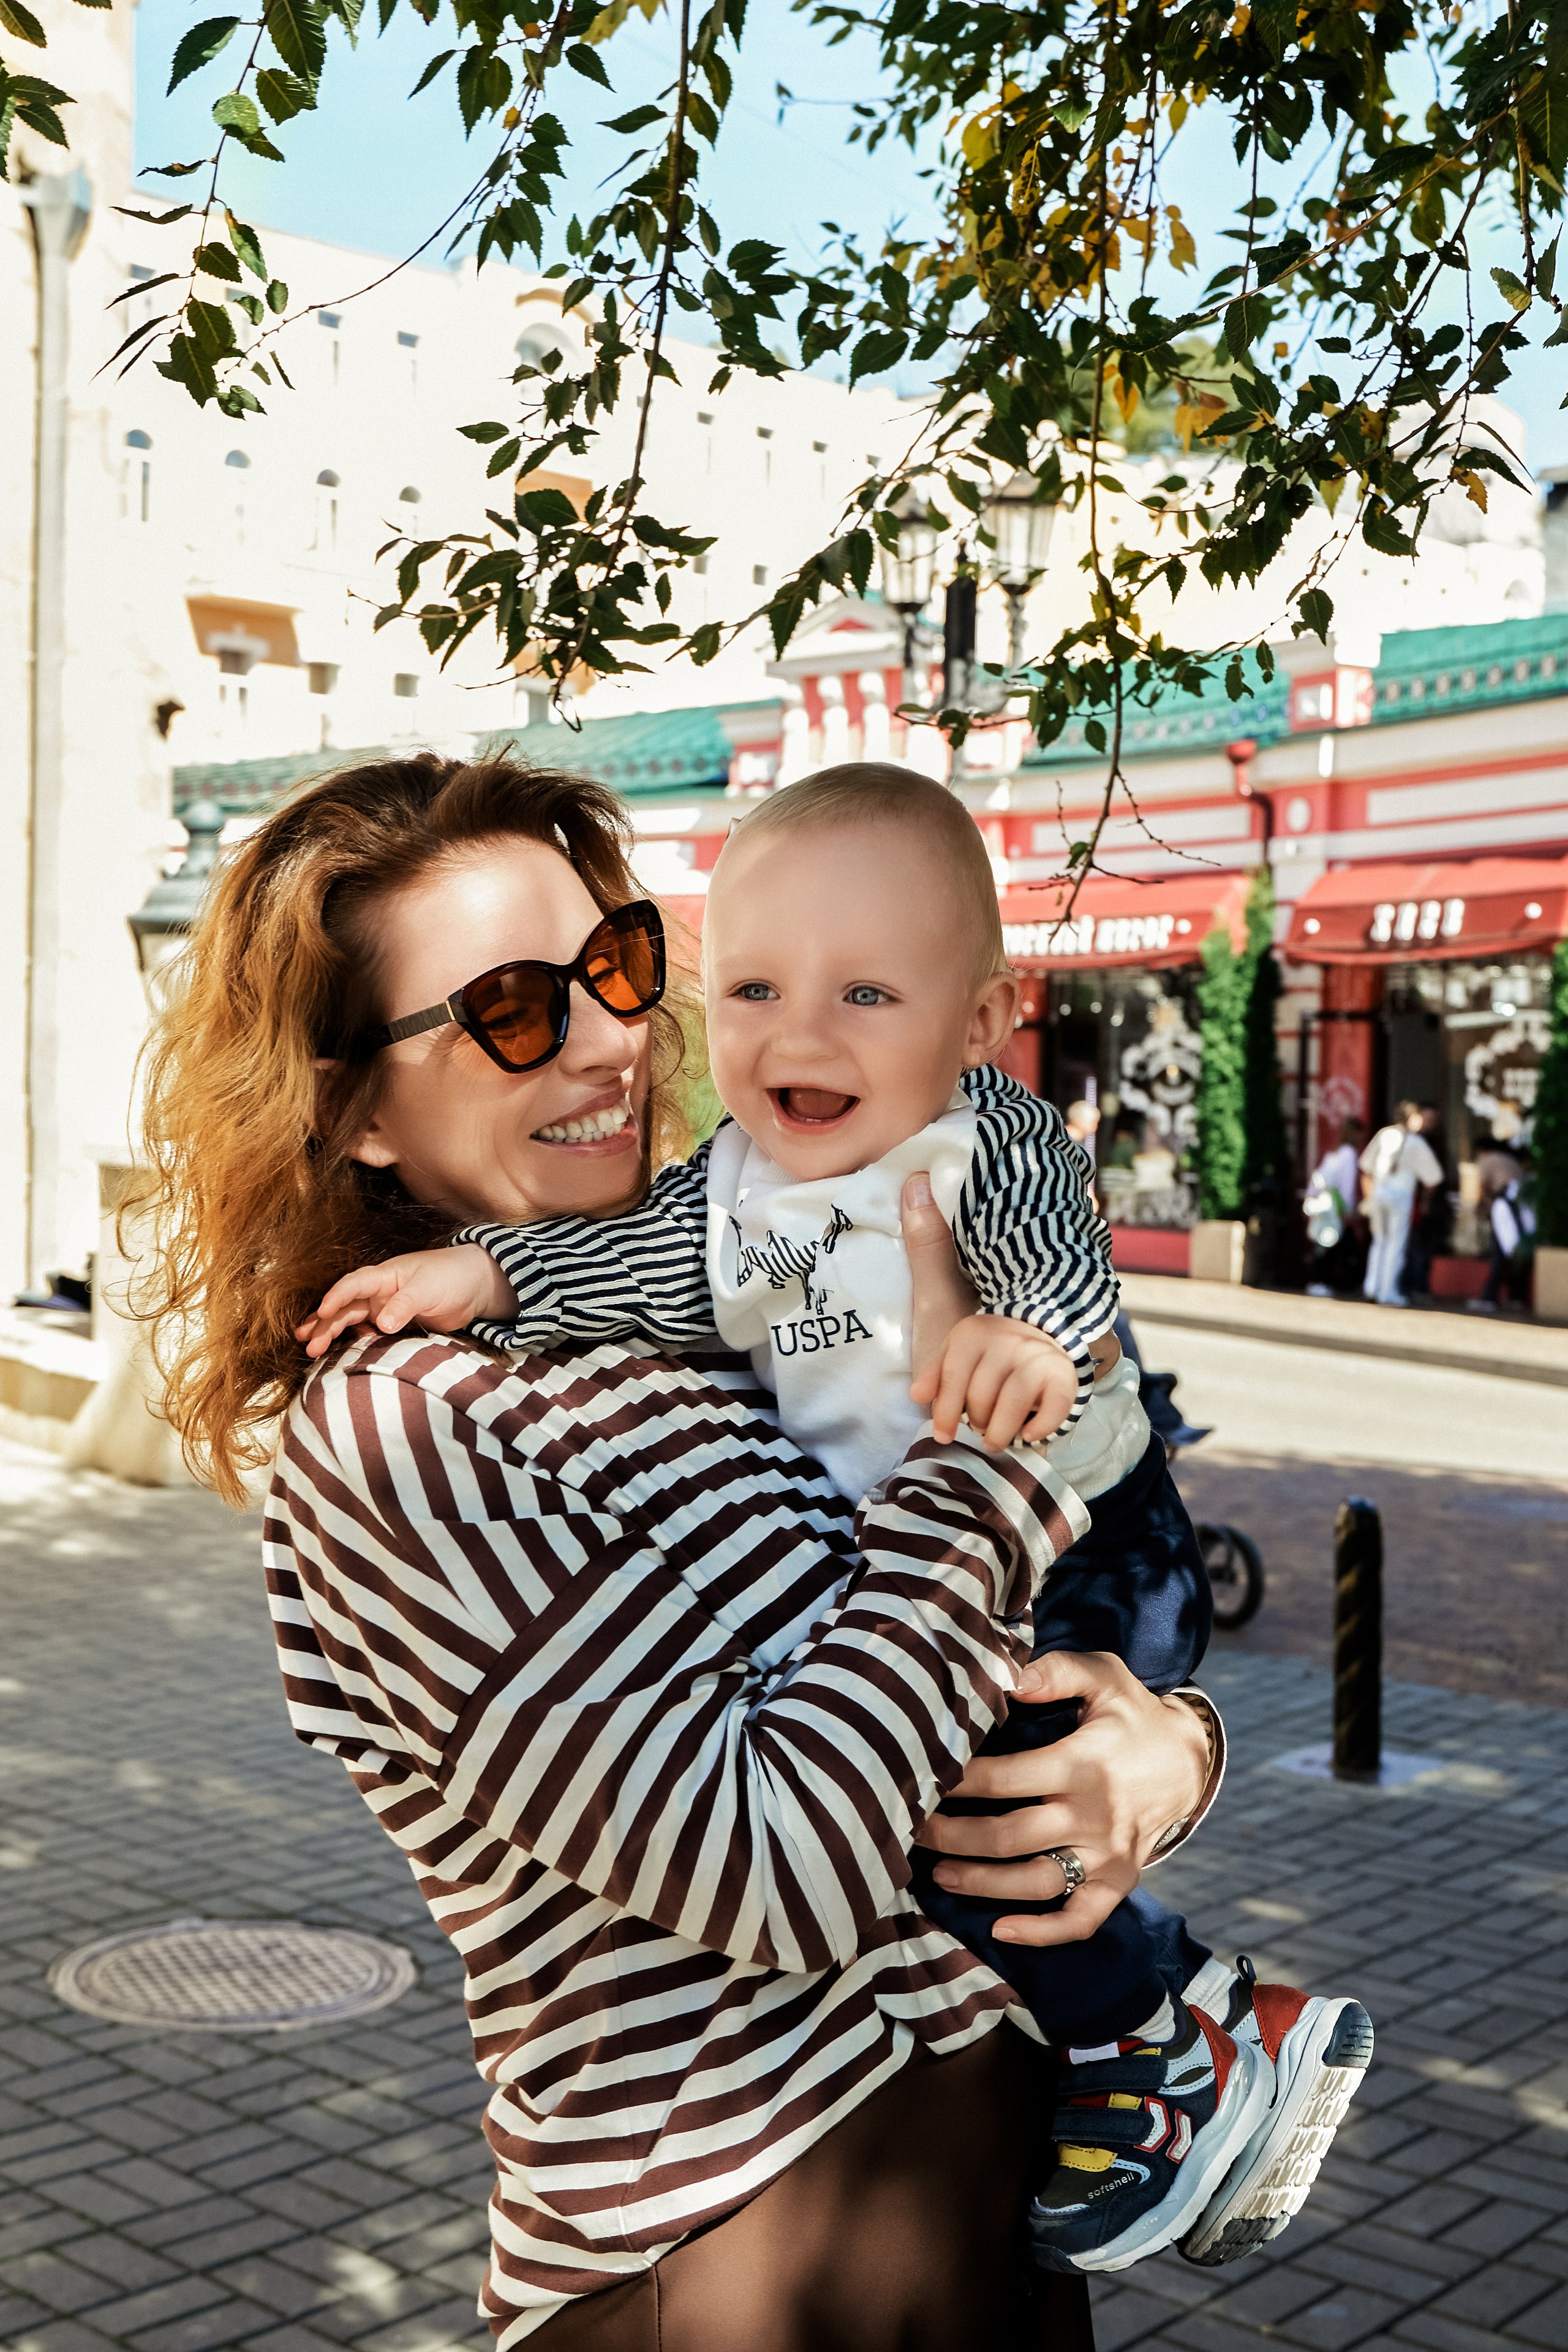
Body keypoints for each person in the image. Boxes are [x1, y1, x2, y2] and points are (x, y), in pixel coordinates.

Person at [134, 751, 1237, 2348]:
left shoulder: (699, 1309)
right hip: (728, 2260)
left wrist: (1160, 1759)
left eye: (614, 967)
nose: (607, 1040)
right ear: (355, 1108)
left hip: (965, 2208)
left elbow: (959, 1687)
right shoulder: (407, 1427)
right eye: (512, 1011)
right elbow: (786, 1874)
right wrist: (990, 1453)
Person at [1359, 1101, 1444, 1306]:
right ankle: (1387, 1291)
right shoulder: (1417, 1142)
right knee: (1396, 1244)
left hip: (1379, 1193)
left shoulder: (1384, 1135)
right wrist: (1424, 1199)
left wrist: (1369, 1197)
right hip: (1401, 1196)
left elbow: (1366, 1167)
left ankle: (1372, 1287)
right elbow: (1434, 1178)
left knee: (1380, 1241)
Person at [1304, 1117, 1364, 1296]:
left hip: (1325, 1205)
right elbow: (1347, 1184)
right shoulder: (1349, 1154)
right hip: (1336, 1207)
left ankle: (1320, 1281)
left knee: (1327, 1244)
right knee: (1331, 1245)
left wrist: (1311, 1197)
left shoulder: (1333, 1153)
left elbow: (1319, 1177)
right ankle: (1323, 1281)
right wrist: (1347, 1210)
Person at [1400, 1104, 1451, 1302]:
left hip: (1427, 1204)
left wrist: (1427, 1202)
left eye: (1433, 1119)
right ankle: (1408, 1286)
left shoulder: (1435, 1142)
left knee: (1423, 1247)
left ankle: (1419, 1287)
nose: (1431, 1123)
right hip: (1412, 1202)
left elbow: (1435, 1179)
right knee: (1411, 1247)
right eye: (1427, 1118)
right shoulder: (1410, 1140)